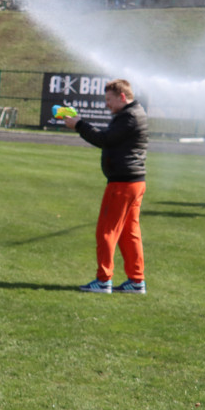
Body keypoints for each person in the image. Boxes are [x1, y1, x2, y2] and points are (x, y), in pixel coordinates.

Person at [63, 78, 148, 294]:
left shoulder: (129, 116)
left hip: (123, 183)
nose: (106, 104)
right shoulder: (131, 114)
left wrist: (79, 125)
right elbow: (109, 138)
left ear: (122, 97)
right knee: (130, 233)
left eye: (109, 100)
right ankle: (136, 281)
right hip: (133, 182)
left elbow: (105, 139)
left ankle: (103, 280)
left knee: (106, 231)